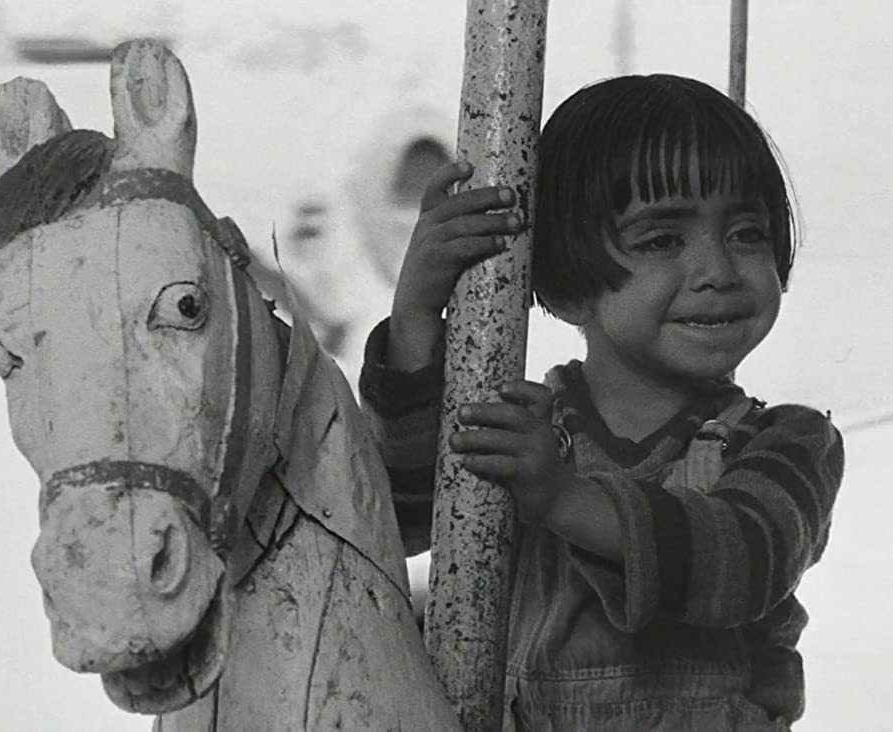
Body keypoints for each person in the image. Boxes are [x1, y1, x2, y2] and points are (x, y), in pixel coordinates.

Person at [358, 74, 844, 731]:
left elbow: (742, 559)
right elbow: (406, 518)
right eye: (662, 240)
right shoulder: (527, 426)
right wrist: (416, 314)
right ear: (567, 286)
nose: (719, 270)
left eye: (747, 234)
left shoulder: (785, 444)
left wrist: (561, 499)